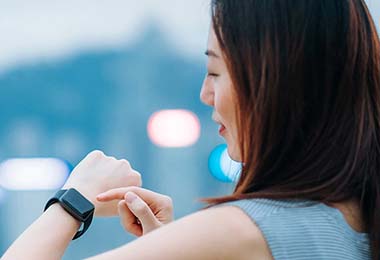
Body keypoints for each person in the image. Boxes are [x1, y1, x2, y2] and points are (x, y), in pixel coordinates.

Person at [3, 0, 380, 259]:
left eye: (216, 72)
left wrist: (72, 201)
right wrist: (171, 245)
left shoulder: (245, 230)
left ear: (275, 81)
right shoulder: (354, 219)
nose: (205, 94)